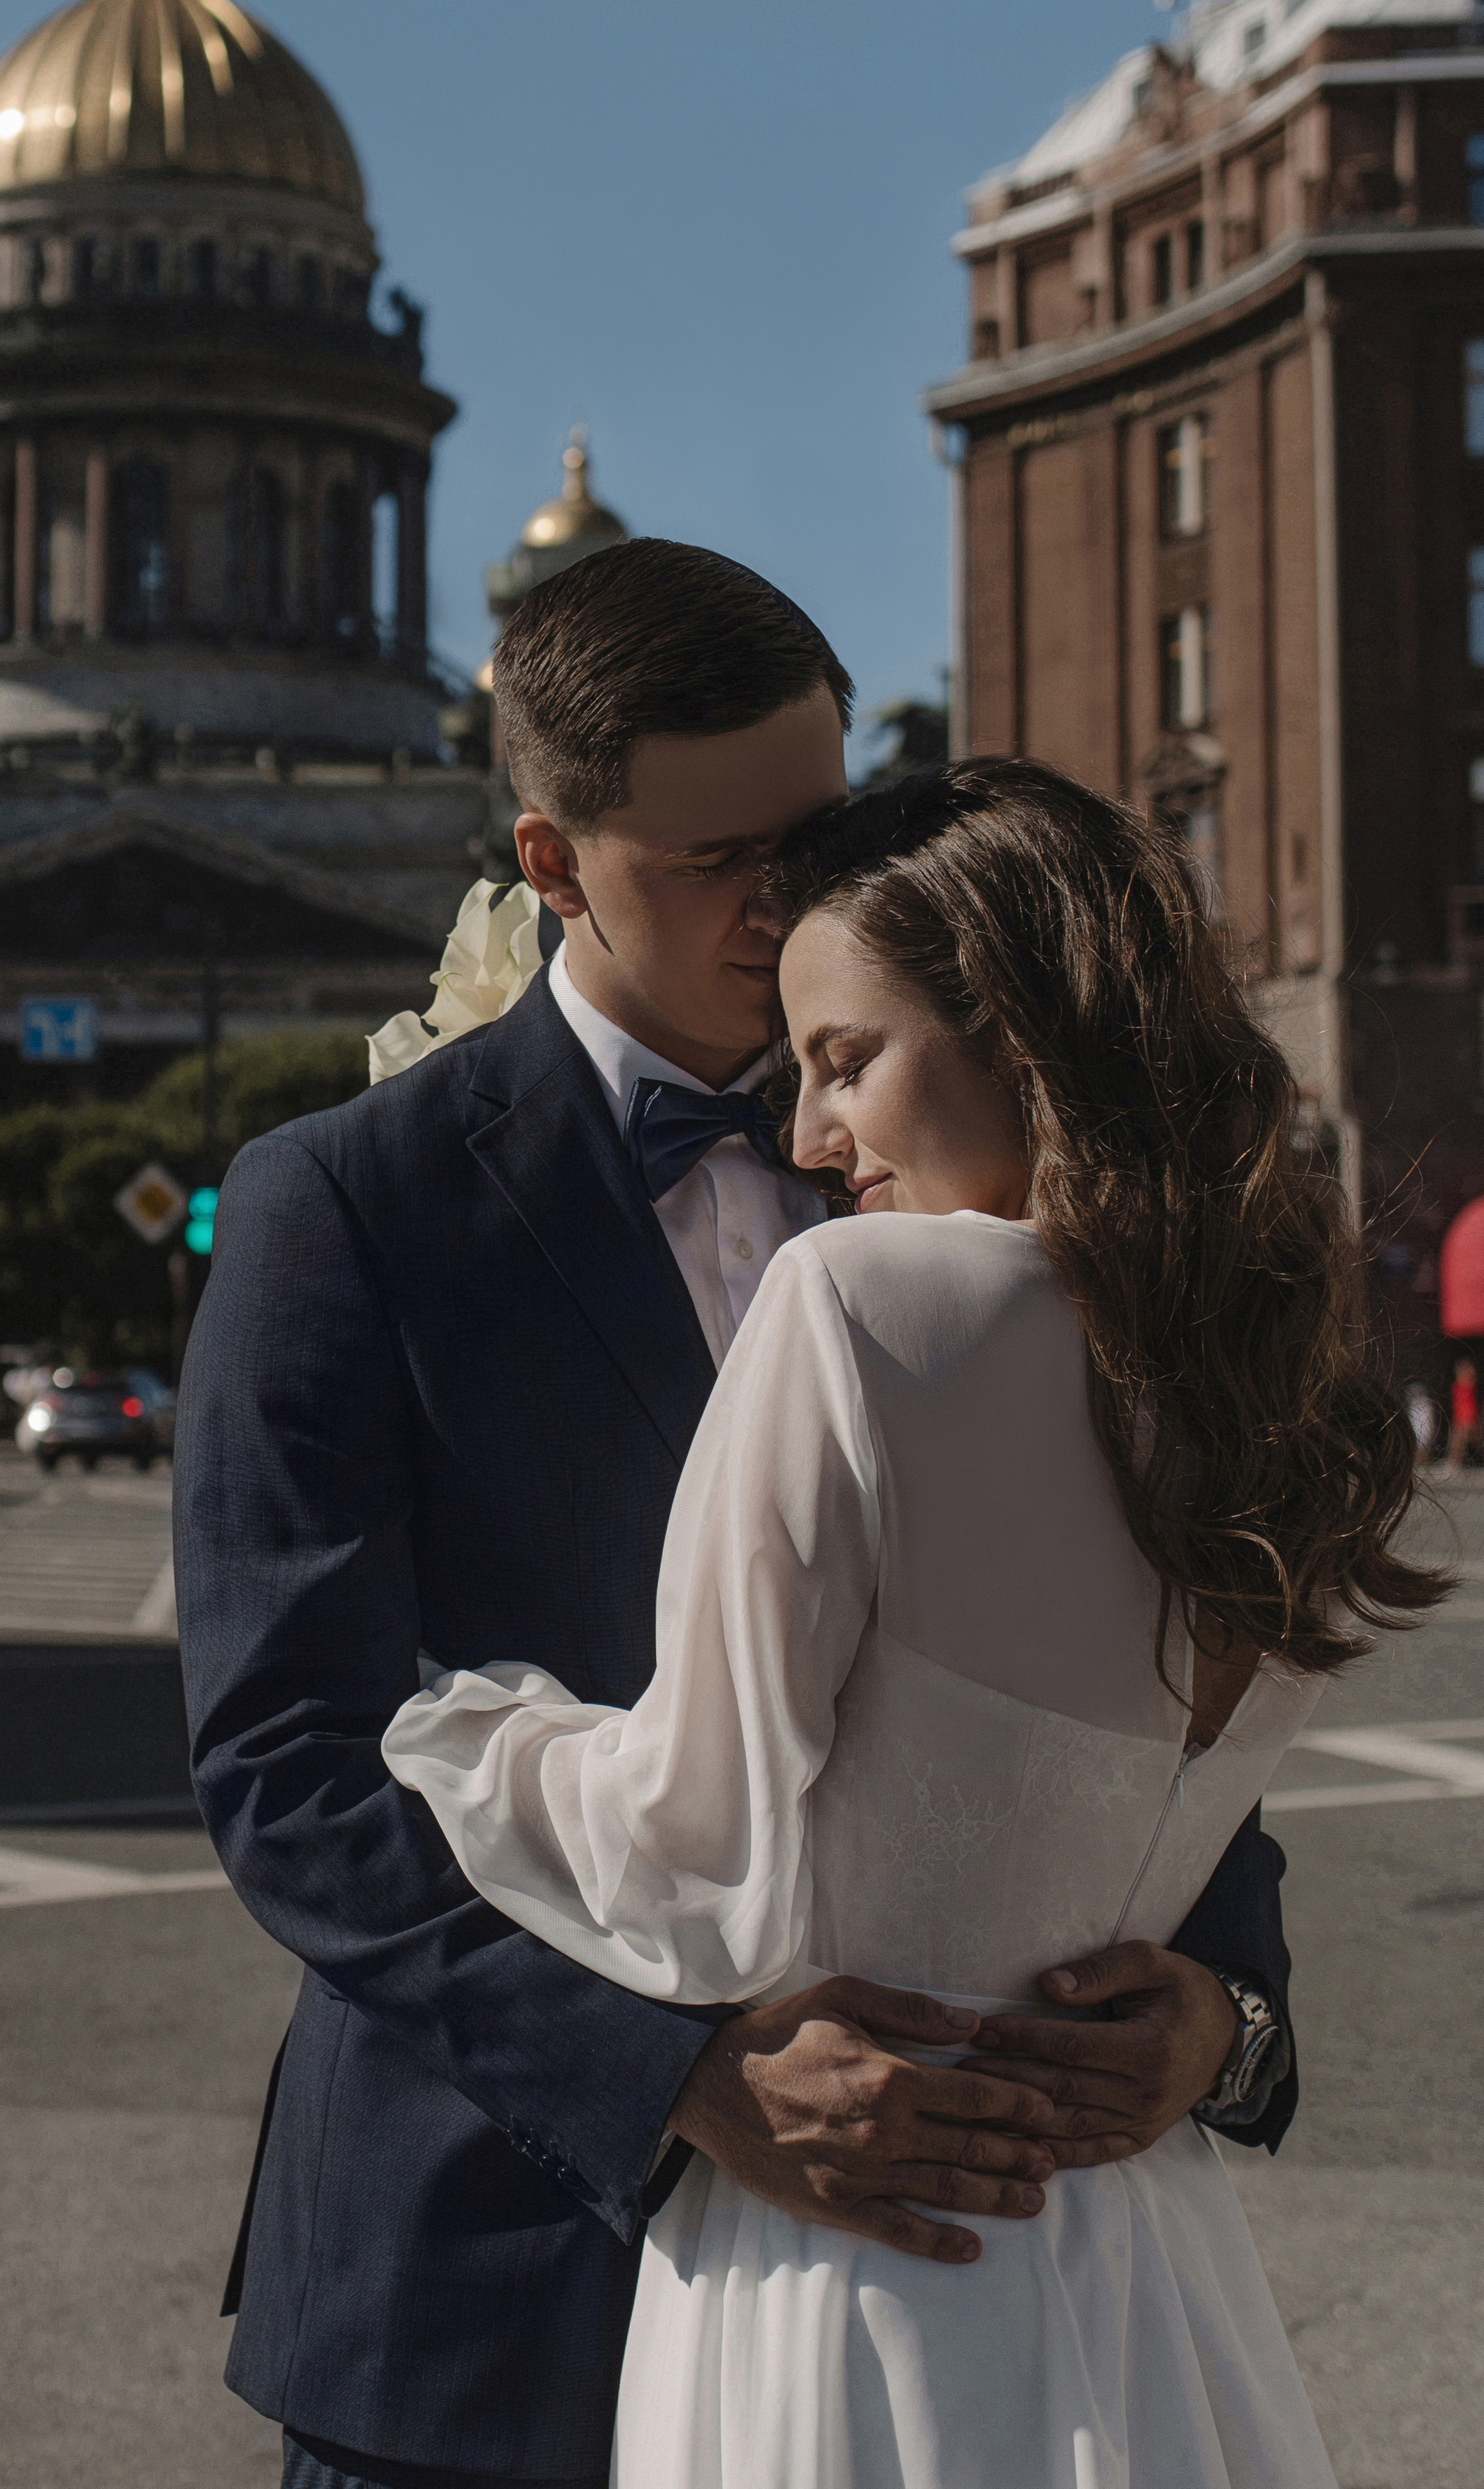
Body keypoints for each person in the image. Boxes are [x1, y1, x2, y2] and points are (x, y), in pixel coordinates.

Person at [173, 549, 1302, 2489]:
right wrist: (683, 2084)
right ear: (552, 860)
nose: (793, 903)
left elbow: (1145, 1656)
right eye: (723, 862)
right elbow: (290, 1761)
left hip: (951, 2300)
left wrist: (1230, 2016)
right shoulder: (342, 1206)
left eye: (827, 830)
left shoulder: (986, 1152)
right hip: (479, 2283)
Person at [385, 759, 1443, 2489]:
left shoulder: (861, 1306)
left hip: (864, 2249)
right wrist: (1222, 2025)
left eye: (843, 1059)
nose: (807, 1140)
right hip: (1140, 2254)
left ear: (1022, 1028)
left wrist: (471, 1729)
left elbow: (684, 1862)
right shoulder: (1291, 1384)